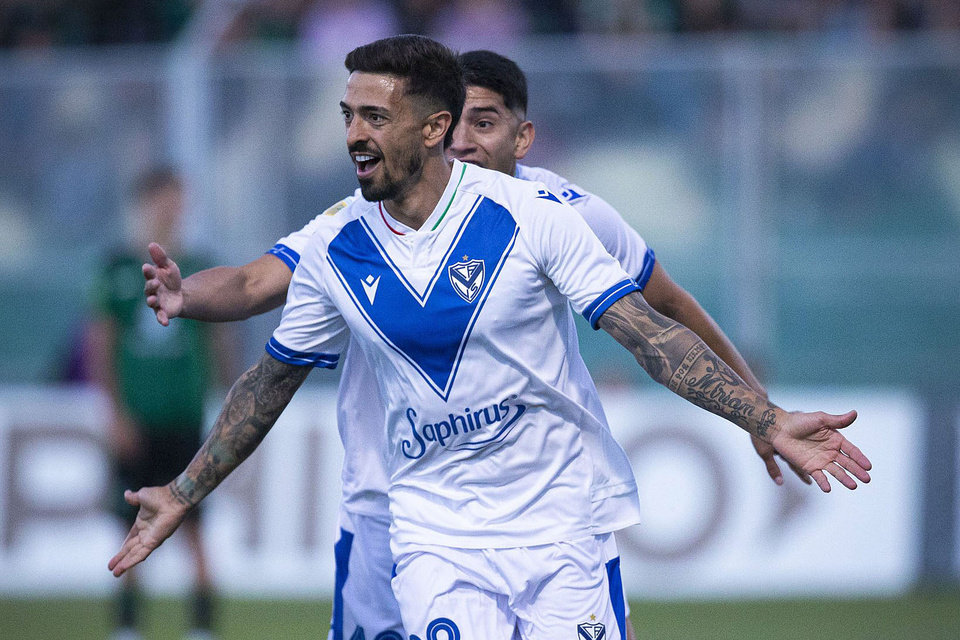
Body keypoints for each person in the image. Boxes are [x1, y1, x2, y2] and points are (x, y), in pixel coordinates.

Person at [110, 36, 871, 640]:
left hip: (561, 525)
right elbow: (266, 381)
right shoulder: (335, 246)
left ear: (432, 128)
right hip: (433, 533)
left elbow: (650, 333)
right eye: (348, 116)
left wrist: (764, 416)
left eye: (374, 117)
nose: (353, 135)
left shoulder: (540, 217)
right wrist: (182, 492)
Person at [90, 167, 229, 640]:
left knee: (194, 526)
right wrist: (115, 414)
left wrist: (225, 398)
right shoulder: (117, 270)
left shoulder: (200, 265)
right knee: (131, 526)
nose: (172, 210)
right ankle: (128, 626)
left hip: (185, 420)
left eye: (178, 200)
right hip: (139, 421)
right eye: (164, 200)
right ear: (145, 203)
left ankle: (202, 628)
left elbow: (217, 340)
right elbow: (101, 344)